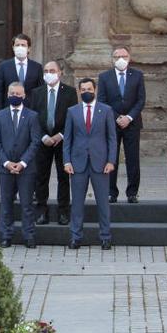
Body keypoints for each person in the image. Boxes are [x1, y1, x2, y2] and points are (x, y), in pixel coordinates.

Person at [64, 78, 117, 250]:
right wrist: (67, 161)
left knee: (103, 202)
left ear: (95, 90)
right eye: (83, 89)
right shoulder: (72, 111)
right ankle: (75, 236)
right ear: (79, 92)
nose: (86, 91)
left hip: (100, 163)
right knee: (77, 203)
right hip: (78, 163)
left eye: (89, 88)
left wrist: (111, 160)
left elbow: (111, 138)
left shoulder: (106, 110)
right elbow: (68, 139)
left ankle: (105, 237)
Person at [0, 82, 41, 248]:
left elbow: (35, 142)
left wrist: (22, 162)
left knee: (27, 204)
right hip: (5, 168)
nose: (15, 96)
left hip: (26, 168)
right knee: (6, 203)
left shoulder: (32, 116)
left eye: (18, 94)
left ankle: (29, 236)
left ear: (24, 96)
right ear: (7, 94)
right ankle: (6, 235)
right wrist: (6, 162)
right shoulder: (0, 115)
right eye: (12, 93)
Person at [28, 61, 78, 226]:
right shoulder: (37, 93)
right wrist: (43, 137)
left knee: (63, 177)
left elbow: (72, 117)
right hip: (43, 142)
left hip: (62, 141)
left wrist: (60, 135)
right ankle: (41, 211)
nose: (49, 73)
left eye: (52, 70)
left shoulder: (70, 92)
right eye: (46, 71)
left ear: (60, 73)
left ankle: (63, 212)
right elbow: (33, 118)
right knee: (41, 177)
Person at [97, 46, 145, 204]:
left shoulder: (137, 75)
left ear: (129, 57)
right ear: (112, 59)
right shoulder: (104, 77)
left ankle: (132, 193)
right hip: (112, 123)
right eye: (117, 57)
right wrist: (117, 117)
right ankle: (111, 192)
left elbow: (140, 100)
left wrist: (129, 117)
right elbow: (102, 100)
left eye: (123, 56)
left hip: (132, 124)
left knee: (133, 159)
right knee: (111, 158)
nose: (120, 59)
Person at [0, 34, 43, 106]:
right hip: (9, 109)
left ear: (28, 48)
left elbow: (40, 91)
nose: (20, 47)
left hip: (31, 111)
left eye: (23, 45)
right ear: (13, 47)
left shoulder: (37, 67)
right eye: (17, 45)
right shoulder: (3, 66)